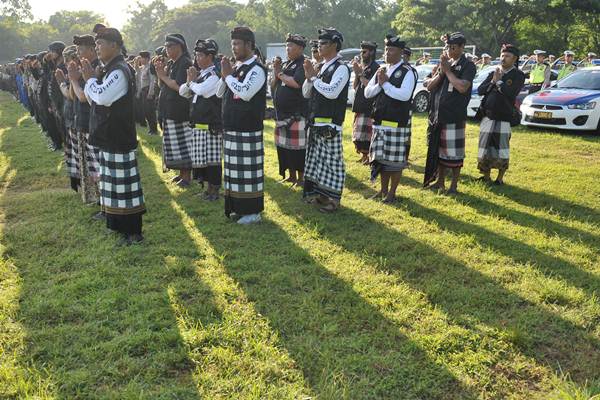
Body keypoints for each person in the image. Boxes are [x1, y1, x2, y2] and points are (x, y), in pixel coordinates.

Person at [84, 27, 146, 245]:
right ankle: (122, 229)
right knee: (114, 185)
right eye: (96, 43)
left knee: (125, 187)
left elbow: (102, 97)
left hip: (119, 135)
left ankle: (134, 232)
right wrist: (91, 82)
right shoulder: (110, 68)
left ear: (115, 46)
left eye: (101, 43)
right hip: (110, 135)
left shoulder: (119, 70)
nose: (97, 48)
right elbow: (95, 99)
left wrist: (89, 81)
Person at [216, 26, 267, 224]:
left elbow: (245, 93)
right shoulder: (236, 67)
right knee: (234, 173)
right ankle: (238, 208)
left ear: (249, 45)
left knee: (248, 174)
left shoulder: (257, 69)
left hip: (248, 129)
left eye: (237, 43)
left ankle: (253, 212)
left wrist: (229, 76)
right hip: (232, 128)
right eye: (232, 44)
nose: (234, 48)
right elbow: (220, 93)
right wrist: (225, 75)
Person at [364, 35, 417, 203]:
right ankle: (382, 190)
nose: (387, 52)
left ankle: (392, 193)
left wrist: (386, 85)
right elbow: (368, 93)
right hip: (380, 121)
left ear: (401, 52)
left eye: (391, 49)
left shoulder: (408, 71)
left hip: (396, 122)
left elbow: (404, 95)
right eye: (386, 49)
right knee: (380, 159)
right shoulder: (382, 69)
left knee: (394, 162)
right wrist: (380, 83)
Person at [302, 27, 350, 213]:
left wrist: (314, 78)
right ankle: (321, 195)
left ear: (335, 45)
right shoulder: (321, 67)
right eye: (319, 43)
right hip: (315, 122)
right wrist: (309, 78)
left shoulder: (341, 68)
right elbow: (306, 93)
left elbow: (332, 92)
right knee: (317, 162)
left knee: (333, 162)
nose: (319, 46)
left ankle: (334, 200)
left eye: (324, 43)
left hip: (330, 123)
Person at [423, 32, 476, 195]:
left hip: (454, 115)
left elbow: (462, 87)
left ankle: (454, 185)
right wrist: (442, 71)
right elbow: (429, 86)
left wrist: (448, 71)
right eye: (447, 47)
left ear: (461, 47)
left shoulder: (468, 65)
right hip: (438, 114)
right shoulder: (444, 64)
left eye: (453, 47)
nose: (449, 50)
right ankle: (439, 182)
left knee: (454, 153)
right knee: (439, 151)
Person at [179, 38, 223, 201]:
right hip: (199, 125)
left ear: (210, 57)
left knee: (212, 162)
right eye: (196, 55)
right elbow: (183, 91)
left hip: (211, 126)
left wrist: (191, 82)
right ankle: (208, 190)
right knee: (203, 161)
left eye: (200, 55)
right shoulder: (200, 75)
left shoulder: (213, 76)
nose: (196, 58)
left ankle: (214, 191)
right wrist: (190, 82)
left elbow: (203, 90)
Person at [476, 44, 525, 185]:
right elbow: (480, 90)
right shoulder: (494, 72)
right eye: (502, 55)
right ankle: (486, 176)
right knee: (484, 147)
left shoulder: (518, 75)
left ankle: (499, 178)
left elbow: (511, 92)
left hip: (504, 116)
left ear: (514, 58)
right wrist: (493, 80)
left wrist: (499, 82)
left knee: (501, 148)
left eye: (507, 56)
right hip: (488, 115)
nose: (503, 58)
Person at [154, 34, 194, 187]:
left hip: (180, 111)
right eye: (166, 46)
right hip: (168, 109)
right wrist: (160, 72)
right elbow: (162, 84)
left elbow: (181, 88)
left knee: (183, 144)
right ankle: (180, 174)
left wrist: (163, 76)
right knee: (175, 145)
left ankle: (187, 176)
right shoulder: (172, 63)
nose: (167, 49)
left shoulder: (185, 63)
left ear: (179, 46)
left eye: (170, 46)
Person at [271, 33, 309, 186]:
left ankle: (300, 178)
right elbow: (274, 84)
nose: (287, 49)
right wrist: (276, 70)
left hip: (296, 114)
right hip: (282, 115)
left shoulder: (303, 63)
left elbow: (297, 83)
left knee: (297, 149)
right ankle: (291, 175)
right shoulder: (287, 64)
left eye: (291, 46)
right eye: (286, 45)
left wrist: (280, 74)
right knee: (284, 148)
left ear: (300, 48)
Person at [70, 34, 102, 205]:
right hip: (83, 121)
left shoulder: (96, 68)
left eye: (80, 49)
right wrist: (71, 79)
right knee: (90, 165)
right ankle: (97, 197)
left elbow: (83, 96)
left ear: (92, 49)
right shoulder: (85, 67)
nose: (78, 53)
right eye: (76, 49)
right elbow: (72, 95)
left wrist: (73, 80)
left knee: (97, 165)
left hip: (93, 123)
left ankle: (104, 200)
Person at [55, 45, 80, 193]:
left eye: (68, 59)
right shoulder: (72, 73)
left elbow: (71, 95)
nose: (66, 63)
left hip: (77, 120)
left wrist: (63, 83)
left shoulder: (78, 73)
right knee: (72, 154)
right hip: (70, 118)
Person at [351, 40, 379, 164]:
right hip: (359, 105)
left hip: (369, 106)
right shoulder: (363, 66)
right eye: (361, 51)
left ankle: (368, 156)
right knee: (359, 134)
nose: (362, 54)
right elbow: (354, 86)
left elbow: (370, 87)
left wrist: (360, 74)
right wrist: (357, 73)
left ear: (372, 52)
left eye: (365, 52)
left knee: (368, 134)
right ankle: (363, 156)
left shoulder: (376, 68)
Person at [135, 51, 159, 135]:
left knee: (150, 111)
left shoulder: (150, 67)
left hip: (148, 90)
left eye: (141, 58)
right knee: (145, 111)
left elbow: (153, 80)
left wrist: (151, 92)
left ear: (146, 58)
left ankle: (154, 130)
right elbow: (137, 71)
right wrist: (136, 62)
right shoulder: (143, 67)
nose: (140, 59)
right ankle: (150, 129)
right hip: (143, 91)